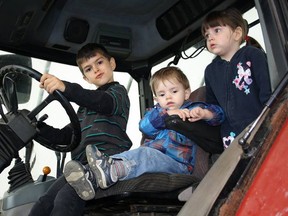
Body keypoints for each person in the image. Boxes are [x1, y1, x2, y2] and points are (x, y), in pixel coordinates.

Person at [64, 66, 225, 199]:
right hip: (155, 156)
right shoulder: (157, 113)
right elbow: (144, 126)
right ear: (156, 99)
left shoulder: (191, 109)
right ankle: (91, 176)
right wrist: (166, 114)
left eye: (174, 91)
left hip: (177, 163)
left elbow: (219, 116)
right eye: (162, 94)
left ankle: (111, 171)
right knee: (139, 154)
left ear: (186, 93)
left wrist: (204, 113)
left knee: (145, 155)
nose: (168, 97)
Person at [29, 43, 132, 216]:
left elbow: (102, 102)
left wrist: (66, 88)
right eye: (89, 69)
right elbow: (66, 136)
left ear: (112, 64)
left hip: (105, 163)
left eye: (99, 63)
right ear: (86, 78)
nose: (96, 70)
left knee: (65, 199)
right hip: (79, 167)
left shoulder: (117, 93)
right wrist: (35, 127)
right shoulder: (84, 109)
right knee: (43, 203)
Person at [201, 8, 271, 148]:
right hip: (231, 138)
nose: (210, 37)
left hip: (260, 126)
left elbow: (267, 92)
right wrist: (205, 113)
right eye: (207, 35)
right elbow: (214, 107)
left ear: (237, 33)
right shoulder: (210, 71)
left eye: (217, 30)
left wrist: (269, 119)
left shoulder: (252, 55)